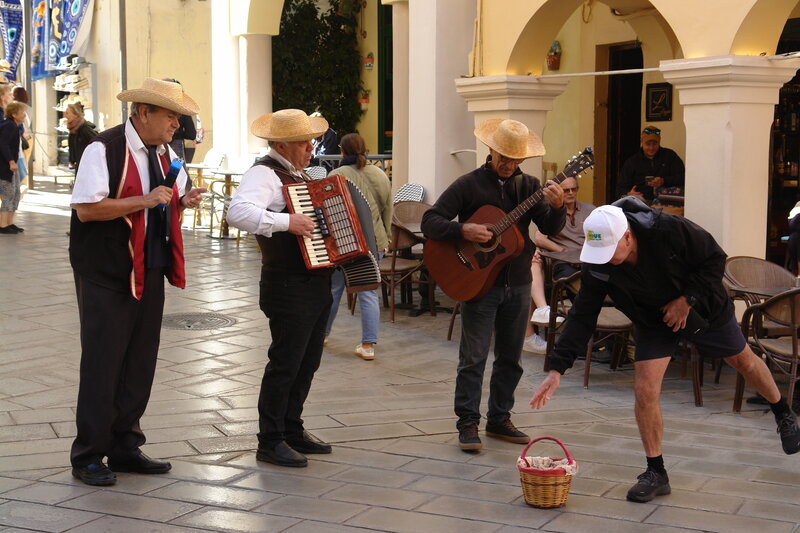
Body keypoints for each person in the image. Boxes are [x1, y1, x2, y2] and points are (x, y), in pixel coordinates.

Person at [530, 196, 800, 503]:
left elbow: (714, 259)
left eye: (610, 251)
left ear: (627, 236)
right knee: (644, 388)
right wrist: (557, 368)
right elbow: (583, 314)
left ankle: (783, 412)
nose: (604, 259)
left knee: (744, 362)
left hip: (703, 308)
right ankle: (656, 472)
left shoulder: (668, 229)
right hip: (652, 319)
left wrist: (687, 300)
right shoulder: (598, 261)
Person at [68, 78, 206, 486]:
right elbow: (86, 209)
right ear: (143, 112)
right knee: (103, 362)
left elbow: (168, 198)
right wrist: (143, 201)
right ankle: (88, 454)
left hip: (150, 267)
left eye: (178, 117)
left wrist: (183, 201)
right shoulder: (103, 148)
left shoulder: (166, 153)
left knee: (140, 362)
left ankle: (125, 446)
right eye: (170, 116)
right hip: (107, 270)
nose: (177, 125)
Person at [421, 118, 566, 452]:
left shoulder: (529, 186)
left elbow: (549, 227)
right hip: (478, 283)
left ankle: (500, 419)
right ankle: (467, 422)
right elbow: (430, 220)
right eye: (504, 157)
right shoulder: (468, 184)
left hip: (518, 282)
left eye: (515, 159)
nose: (508, 165)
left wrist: (558, 208)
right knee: (473, 357)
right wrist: (463, 230)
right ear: (491, 149)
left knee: (511, 358)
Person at [227, 109, 334, 468]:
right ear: (282, 144)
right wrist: (287, 221)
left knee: (307, 361)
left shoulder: (297, 174)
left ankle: (291, 427)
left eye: (311, 141)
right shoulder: (264, 173)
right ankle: (270, 440)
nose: (310, 148)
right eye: (304, 142)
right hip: (287, 284)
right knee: (286, 363)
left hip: (313, 282)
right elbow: (238, 213)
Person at [324, 133, 392, 360]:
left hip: (344, 243)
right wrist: (386, 239)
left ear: (342, 151)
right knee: (368, 292)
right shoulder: (380, 174)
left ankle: (322, 335)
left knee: (334, 289)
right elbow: (388, 210)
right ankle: (368, 345)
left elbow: (329, 211)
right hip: (374, 241)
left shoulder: (336, 175)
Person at [523, 176, 595, 353]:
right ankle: (579, 335)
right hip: (562, 262)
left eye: (574, 189)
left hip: (587, 260)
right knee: (575, 287)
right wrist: (562, 251)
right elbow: (540, 238)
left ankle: (589, 334)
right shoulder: (550, 210)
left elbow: (599, 237)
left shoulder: (590, 210)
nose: (570, 193)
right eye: (566, 190)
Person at [617, 126, 685, 204]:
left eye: (655, 144)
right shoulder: (632, 162)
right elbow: (620, 187)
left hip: (666, 202)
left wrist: (664, 181)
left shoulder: (670, 156)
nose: (651, 148)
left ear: (659, 142)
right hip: (640, 202)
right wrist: (628, 194)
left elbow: (683, 178)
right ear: (641, 142)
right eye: (648, 144)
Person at [0, 101, 24, 234]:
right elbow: (3, 144)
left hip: (11, 164)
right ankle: (3, 224)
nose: (24, 114)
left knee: (15, 193)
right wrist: (10, 161)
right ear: (14, 114)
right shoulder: (9, 126)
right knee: (9, 193)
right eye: (21, 112)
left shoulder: (13, 125)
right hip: (5, 166)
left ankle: (9, 222)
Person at [64, 102, 97, 172]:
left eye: (67, 113)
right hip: (80, 167)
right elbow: (72, 146)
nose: (65, 115)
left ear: (75, 115)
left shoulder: (85, 129)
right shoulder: (73, 130)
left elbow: (97, 142)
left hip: (88, 168)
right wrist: (71, 160)